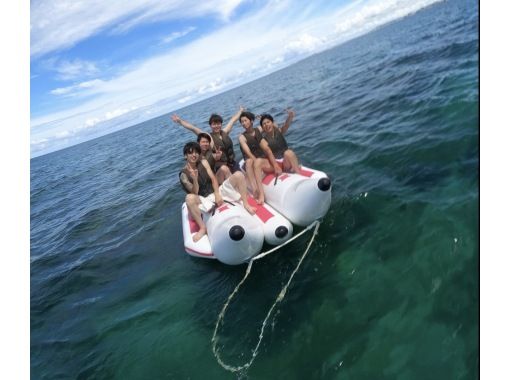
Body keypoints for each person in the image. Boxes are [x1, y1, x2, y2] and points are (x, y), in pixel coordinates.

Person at [180, 142, 256, 242]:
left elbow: (213, 178)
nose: (194, 155)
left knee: (238, 174)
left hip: (215, 191)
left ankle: (246, 204)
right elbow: (194, 193)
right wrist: (194, 179)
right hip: (202, 198)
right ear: (185, 155)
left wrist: (217, 194)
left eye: (196, 152)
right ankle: (203, 228)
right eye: (190, 153)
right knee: (189, 198)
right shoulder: (183, 174)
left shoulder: (203, 162)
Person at [171, 107, 244, 184]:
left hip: (232, 163)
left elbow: (232, 120)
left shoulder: (225, 132)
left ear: (221, 124)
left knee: (242, 178)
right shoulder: (209, 138)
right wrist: (180, 121)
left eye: (218, 124)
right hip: (221, 167)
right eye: (214, 124)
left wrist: (241, 111)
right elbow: (193, 128)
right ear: (210, 125)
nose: (216, 126)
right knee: (235, 182)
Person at [238, 111, 282, 204]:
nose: (243, 123)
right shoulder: (242, 137)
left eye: (245, 120)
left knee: (257, 160)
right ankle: (255, 189)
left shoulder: (258, 129)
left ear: (251, 121)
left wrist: (263, 119)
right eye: (242, 122)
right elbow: (248, 152)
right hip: (251, 160)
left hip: (261, 159)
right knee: (249, 161)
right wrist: (256, 163)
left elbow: (273, 126)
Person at [260, 109, 301, 173]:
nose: (267, 125)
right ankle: (298, 172)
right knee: (289, 152)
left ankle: (295, 169)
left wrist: (290, 117)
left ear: (272, 123)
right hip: (277, 164)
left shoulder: (279, 131)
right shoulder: (263, 141)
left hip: (285, 160)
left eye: (268, 122)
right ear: (262, 127)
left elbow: (286, 125)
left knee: (288, 153)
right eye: (264, 124)